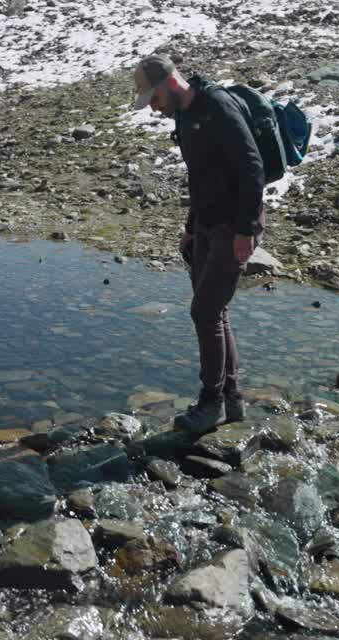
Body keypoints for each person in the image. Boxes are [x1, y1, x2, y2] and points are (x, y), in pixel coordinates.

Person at [131, 54, 265, 434]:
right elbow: (200, 178)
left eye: (153, 100)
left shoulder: (218, 106)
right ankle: (233, 399)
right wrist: (191, 227)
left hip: (233, 224)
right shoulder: (184, 117)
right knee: (215, 313)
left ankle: (212, 404)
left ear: (169, 84)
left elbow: (251, 167)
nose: (154, 110)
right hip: (207, 224)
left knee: (205, 313)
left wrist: (247, 230)